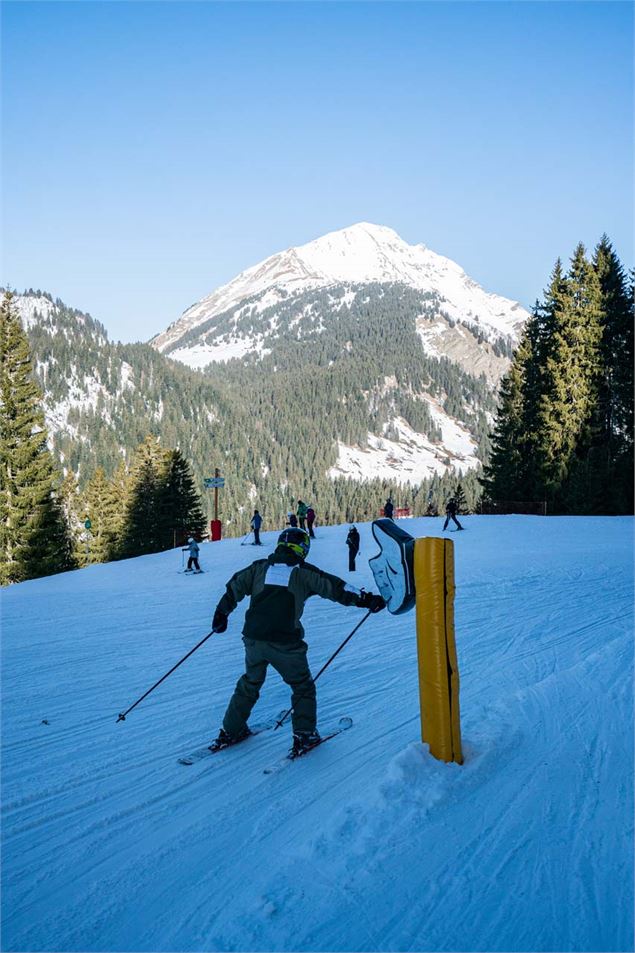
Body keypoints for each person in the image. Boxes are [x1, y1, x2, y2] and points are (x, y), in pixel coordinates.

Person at [209, 527, 385, 755]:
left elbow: (235, 586)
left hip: (253, 639)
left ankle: (231, 730)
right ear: (302, 548)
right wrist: (367, 600)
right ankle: (304, 735)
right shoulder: (303, 572)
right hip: (285, 643)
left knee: (250, 682)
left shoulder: (260, 567)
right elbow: (336, 588)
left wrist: (221, 613)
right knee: (302, 685)